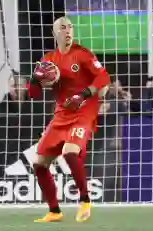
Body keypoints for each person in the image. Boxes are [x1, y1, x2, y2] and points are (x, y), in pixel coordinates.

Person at [26, 16, 111, 223]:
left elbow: (104, 78)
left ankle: (85, 201)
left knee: (69, 152)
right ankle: (54, 211)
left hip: (84, 110)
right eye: (63, 28)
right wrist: (34, 78)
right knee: (39, 163)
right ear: (55, 33)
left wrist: (84, 94)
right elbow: (32, 94)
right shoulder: (48, 59)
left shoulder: (82, 54)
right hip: (62, 114)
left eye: (70, 27)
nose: (68, 31)